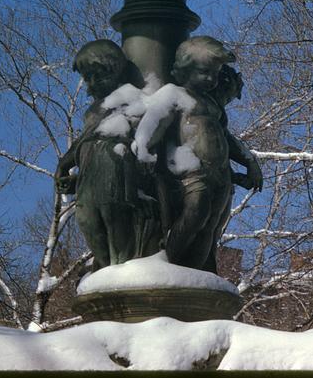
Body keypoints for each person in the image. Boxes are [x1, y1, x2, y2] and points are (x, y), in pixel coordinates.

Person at [132, 36, 236, 271]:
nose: (211, 79)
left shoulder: (211, 102)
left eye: (215, 73)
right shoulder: (174, 94)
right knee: (195, 214)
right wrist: (143, 146)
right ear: (184, 68)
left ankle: (196, 272)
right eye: (204, 71)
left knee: (211, 224)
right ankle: (170, 264)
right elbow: (154, 121)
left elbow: (227, 137)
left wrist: (249, 162)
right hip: (192, 170)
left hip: (219, 173)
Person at [55, 40, 158, 270]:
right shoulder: (94, 109)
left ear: (115, 71)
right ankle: (105, 269)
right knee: (87, 220)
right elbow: (85, 140)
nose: (91, 86)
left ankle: (120, 272)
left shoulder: (130, 98)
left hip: (114, 169)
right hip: (90, 175)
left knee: (115, 221)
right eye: (87, 78)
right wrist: (65, 165)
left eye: (97, 77)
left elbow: (143, 134)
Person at [204, 64, 263, 272]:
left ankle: (204, 267)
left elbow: (220, 142)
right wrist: (248, 162)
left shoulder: (215, 111)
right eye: (230, 95)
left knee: (212, 230)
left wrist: (243, 168)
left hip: (219, 181)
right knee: (205, 228)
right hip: (203, 181)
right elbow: (214, 144)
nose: (230, 101)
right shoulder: (205, 107)